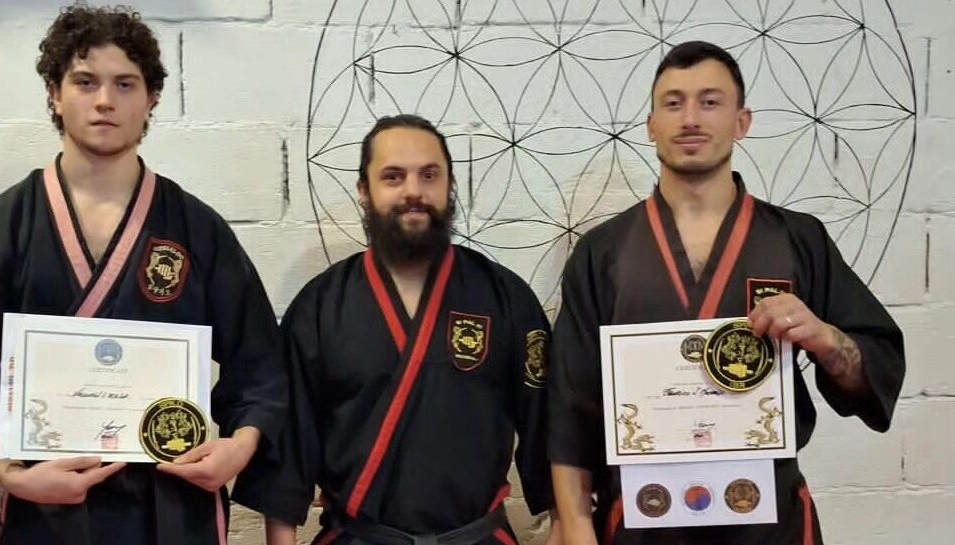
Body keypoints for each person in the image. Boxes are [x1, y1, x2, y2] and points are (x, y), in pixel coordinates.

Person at [0, 5, 286, 544]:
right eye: (85, 82)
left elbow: (261, 370)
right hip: (47, 513)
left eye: (125, 84)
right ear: (54, 94)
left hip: (175, 511)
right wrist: (12, 476)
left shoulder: (198, 231)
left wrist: (237, 449)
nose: (105, 100)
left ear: (152, 98)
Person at [548, 41, 905, 545]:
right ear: (651, 125)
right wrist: (576, 527)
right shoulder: (601, 251)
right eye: (673, 103)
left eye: (710, 101)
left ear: (742, 121)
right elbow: (570, 403)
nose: (691, 118)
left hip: (767, 521)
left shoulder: (798, 239)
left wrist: (825, 338)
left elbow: (877, 362)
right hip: (644, 516)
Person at [233, 114, 561, 545]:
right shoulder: (320, 306)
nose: (413, 191)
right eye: (393, 177)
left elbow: (547, 427)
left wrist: (563, 525)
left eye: (429, 175)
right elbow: (289, 449)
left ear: (450, 185)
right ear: (364, 190)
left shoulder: (504, 296)